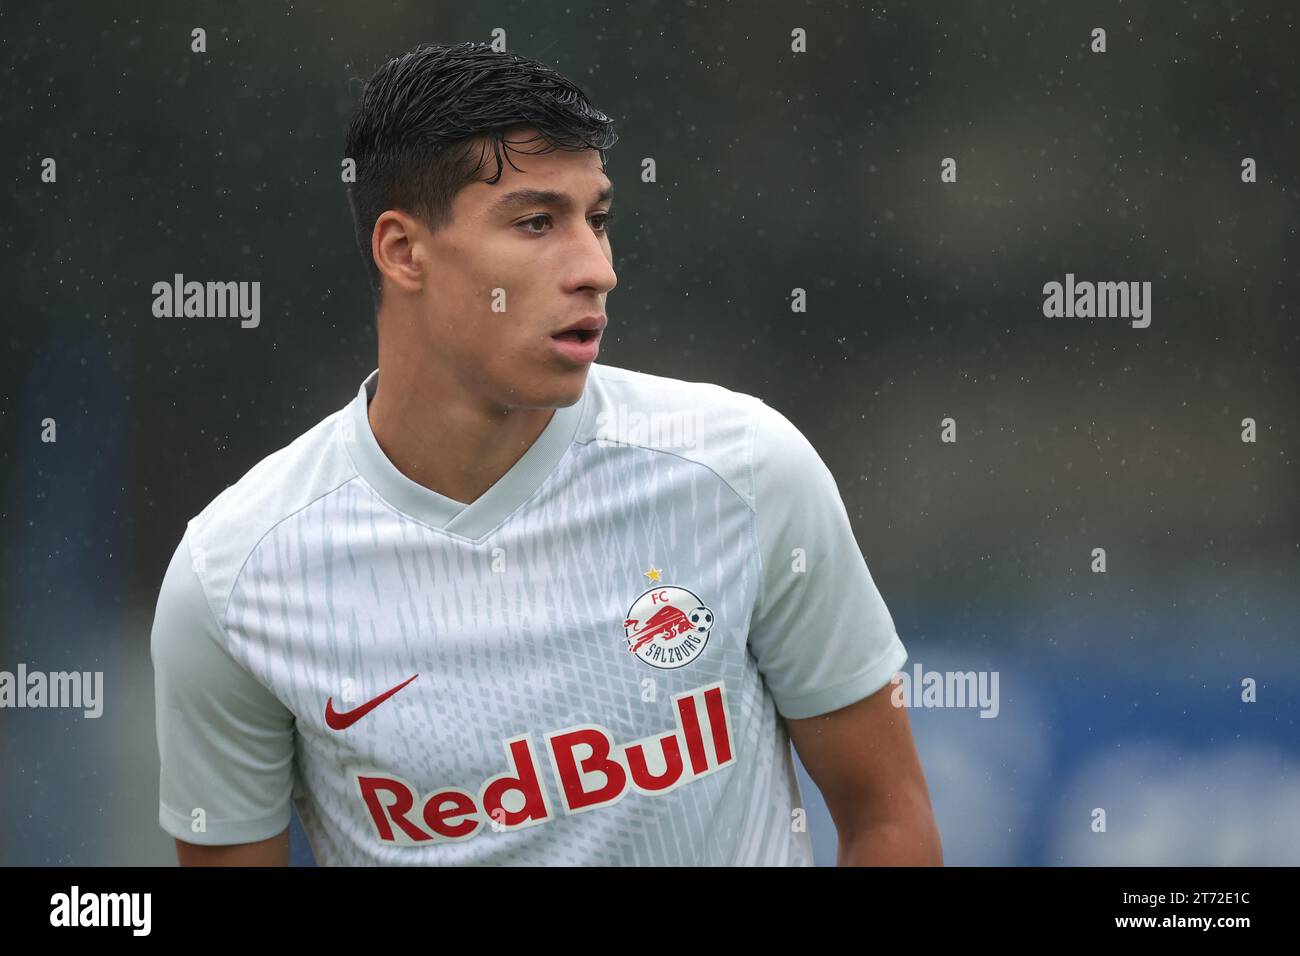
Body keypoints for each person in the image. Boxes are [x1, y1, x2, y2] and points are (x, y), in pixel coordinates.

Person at [150, 41, 941, 866]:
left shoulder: (744, 473)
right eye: (536, 223)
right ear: (402, 250)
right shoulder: (233, 578)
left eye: (596, 219)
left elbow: (889, 820)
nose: (596, 269)